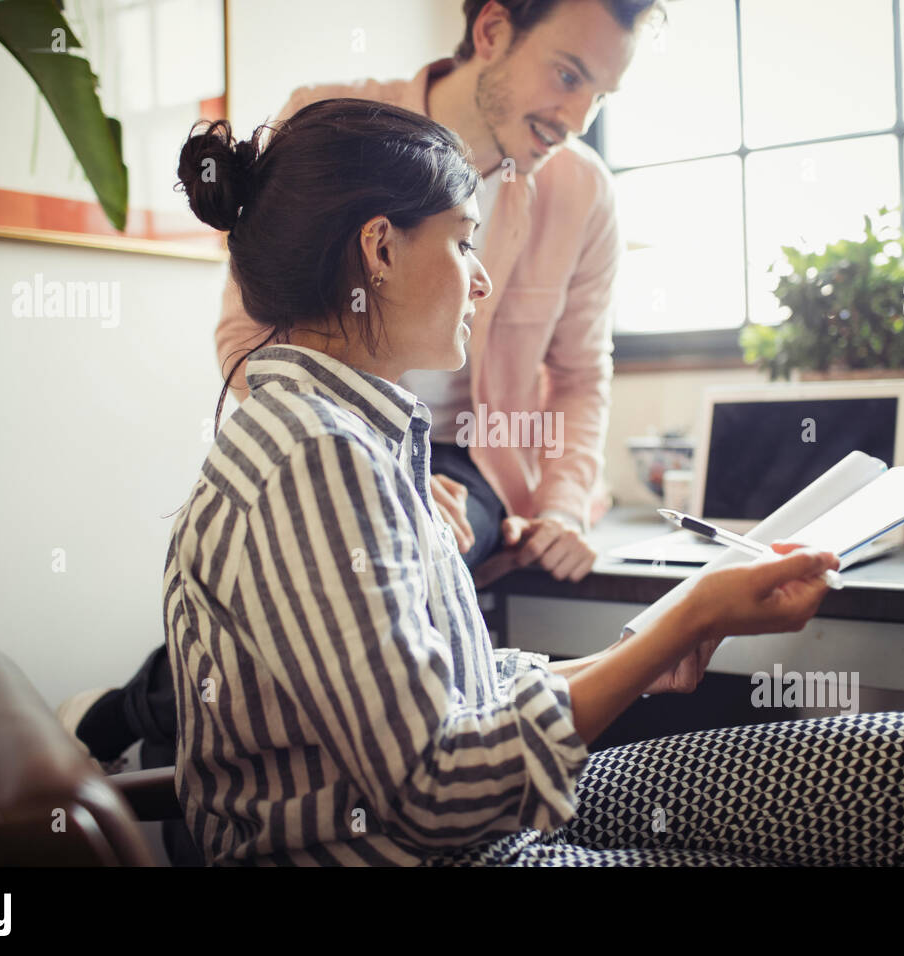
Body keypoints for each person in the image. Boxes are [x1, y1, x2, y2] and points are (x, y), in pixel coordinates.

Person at [162, 98, 904, 866]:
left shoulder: (347, 435)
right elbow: (435, 786)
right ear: (379, 249)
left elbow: (444, 692)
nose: (483, 278)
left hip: (480, 825)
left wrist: (633, 656)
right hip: (437, 848)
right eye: (464, 241)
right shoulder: (316, 457)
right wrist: (687, 615)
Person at [61, 0, 655, 797]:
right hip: (346, 433)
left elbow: (581, 374)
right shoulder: (330, 126)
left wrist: (563, 506)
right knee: (340, 550)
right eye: (568, 74)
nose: (578, 116)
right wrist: (381, 475)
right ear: (491, 33)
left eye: (603, 97)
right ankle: (132, 717)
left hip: (476, 461)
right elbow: (250, 330)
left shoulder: (583, 192)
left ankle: (119, 717)